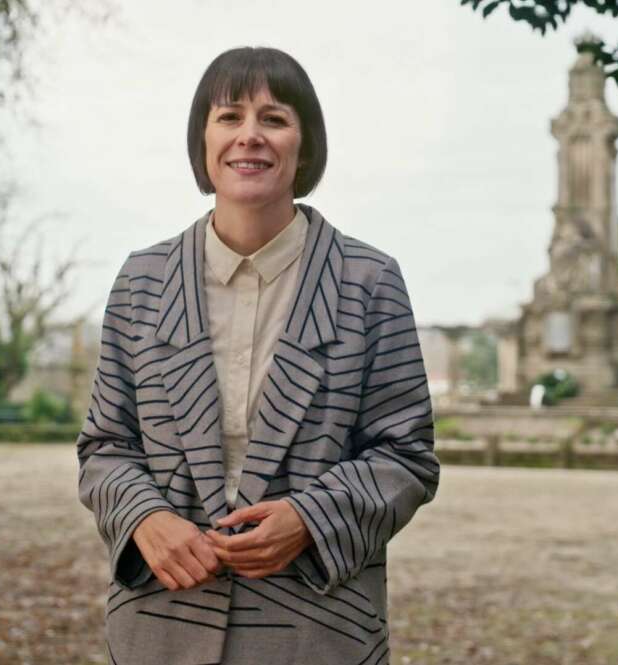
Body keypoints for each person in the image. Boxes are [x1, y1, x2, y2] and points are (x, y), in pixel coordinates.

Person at [76, 46, 440, 665]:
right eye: (229, 117)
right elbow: (106, 446)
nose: (250, 136)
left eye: (274, 119)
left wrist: (309, 517)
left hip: (318, 628)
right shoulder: (142, 279)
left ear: (306, 144)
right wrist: (146, 521)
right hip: (163, 625)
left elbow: (406, 456)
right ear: (203, 141)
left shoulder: (368, 280)